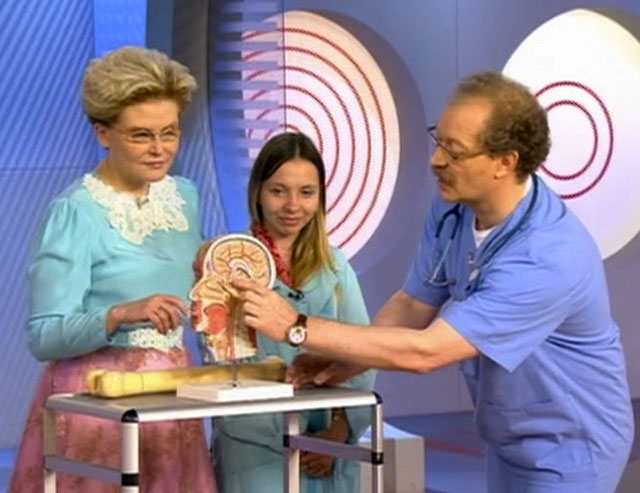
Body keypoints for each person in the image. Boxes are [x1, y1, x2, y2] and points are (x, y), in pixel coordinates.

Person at [233, 73, 634, 492]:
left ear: (505, 162)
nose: (436, 160)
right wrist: (344, 362)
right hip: (510, 436)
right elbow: (412, 305)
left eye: (454, 151)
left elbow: (428, 351)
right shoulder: (452, 210)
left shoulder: (548, 256)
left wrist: (296, 326)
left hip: (572, 445)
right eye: (438, 141)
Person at [9, 46, 217, 492]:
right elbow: (44, 336)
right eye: (141, 135)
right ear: (103, 133)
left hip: (173, 398)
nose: (160, 149)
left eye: (170, 132)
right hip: (96, 405)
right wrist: (121, 314)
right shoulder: (74, 211)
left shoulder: (184, 195)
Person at [211, 132, 376, 492]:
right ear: (257, 192)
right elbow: (220, 371)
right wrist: (291, 440)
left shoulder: (336, 267)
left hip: (328, 456)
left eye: (306, 192)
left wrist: (339, 432)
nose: (292, 205)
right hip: (256, 454)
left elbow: (365, 354)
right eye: (278, 191)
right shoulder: (228, 264)